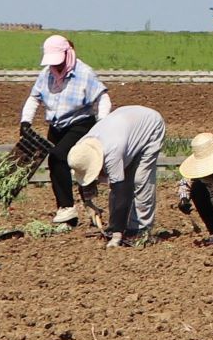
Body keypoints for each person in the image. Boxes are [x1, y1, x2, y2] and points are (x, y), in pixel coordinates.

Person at [20, 36, 109, 227]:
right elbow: (34, 98)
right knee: (55, 164)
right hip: (56, 125)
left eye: (59, 62)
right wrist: (25, 121)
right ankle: (67, 209)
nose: (56, 66)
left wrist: (102, 124)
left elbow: (103, 98)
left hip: (80, 124)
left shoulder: (84, 73)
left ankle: (73, 206)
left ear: (68, 54)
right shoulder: (47, 74)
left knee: (59, 157)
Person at [67, 102, 167, 247]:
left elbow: (119, 192)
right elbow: (84, 175)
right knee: (123, 177)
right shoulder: (81, 148)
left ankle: (140, 230)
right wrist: (88, 203)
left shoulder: (112, 152)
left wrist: (116, 234)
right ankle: (120, 226)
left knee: (140, 180)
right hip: (126, 124)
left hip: (150, 126)